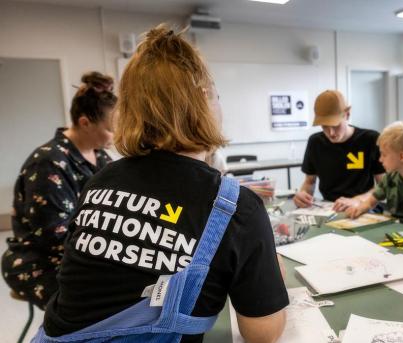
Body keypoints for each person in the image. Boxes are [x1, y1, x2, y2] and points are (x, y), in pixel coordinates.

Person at [39, 25, 287, 343]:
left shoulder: (100, 180)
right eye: (218, 97)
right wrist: (271, 273)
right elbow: (262, 335)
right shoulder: (236, 207)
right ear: (203, 103)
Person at [1, 71, 116, 310]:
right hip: (40, 260)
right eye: (111, 128)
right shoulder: (48, 163)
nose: (116, 136)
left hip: (87, 252)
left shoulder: (102, 157)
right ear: (85, 123)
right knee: (99, 307)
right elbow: (54, 237)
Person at [294, 90, 385, 211]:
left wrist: (357, 200)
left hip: (364, 206)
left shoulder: (370, 139)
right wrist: (303, 195)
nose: (331, 133)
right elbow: (310, 182)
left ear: (347, 115)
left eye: (336, 125)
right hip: (329, 208)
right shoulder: (315, 142)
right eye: (325, 126)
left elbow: (384, 186)